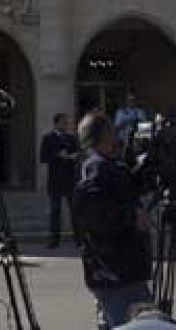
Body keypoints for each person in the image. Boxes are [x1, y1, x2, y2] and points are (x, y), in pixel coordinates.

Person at [73, 111, 154, 330]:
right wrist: (131, 216)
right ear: (105, 135)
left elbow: (129, 187)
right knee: (140, 323)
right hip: (116, 271)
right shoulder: (95, 167)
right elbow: (95, 215)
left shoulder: (106, 165)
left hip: (116, 270)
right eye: (112, 131)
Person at [39, 113, 78, 248]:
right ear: (56, 124)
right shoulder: (48, 138)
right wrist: (57, 155)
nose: (65, 125)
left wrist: (73, 156)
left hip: (70, 178)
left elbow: (78, 152)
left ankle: (79, 239)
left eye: (66, 123)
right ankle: (54, 240)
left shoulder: (71, 138)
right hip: (55, 179)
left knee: (74, 210)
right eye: (63, 122)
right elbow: (43, 157)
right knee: (55, 210)